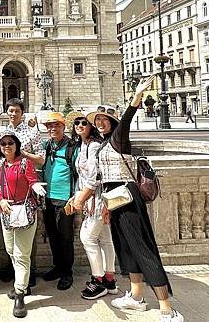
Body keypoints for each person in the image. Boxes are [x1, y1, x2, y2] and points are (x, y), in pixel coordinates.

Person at [87, 75, 184, 322]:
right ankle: (136, 297)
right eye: (97, 120)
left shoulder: (119, 138)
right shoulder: (102, 144)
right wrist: (105, 206)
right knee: (125, 248)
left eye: (104, 120)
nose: (99, 123)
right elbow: (102, 179)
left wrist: (137, 96)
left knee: (142, 249)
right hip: (113, 198)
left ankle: (166, 308)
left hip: (128, 197)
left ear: (112, 122)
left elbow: (127, 119)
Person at [0, 98, 44, 286]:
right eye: (10, 110)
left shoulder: (32, 132)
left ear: (22, 113)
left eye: (16, 110)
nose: (12, 113)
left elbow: (41, 159)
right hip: (8, 187)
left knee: (26, 237)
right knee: (11, 241)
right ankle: (17, 271)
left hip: (26, 186)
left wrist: (20, 155)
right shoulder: (3, 131)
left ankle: (28, 274)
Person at [0, 130, 46, 318]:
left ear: (16, 145)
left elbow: (32, 180)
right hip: (7, 212)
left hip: (24, 211)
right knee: (11, 251)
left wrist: (35, 186)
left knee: (22, 254)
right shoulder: (0, 166)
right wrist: (1, 201)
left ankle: (20, 293)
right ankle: (21, 283)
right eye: (3, 143)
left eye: (10, 143)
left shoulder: (25, 163)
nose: (7, 146)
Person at [67, 115, 117, 300]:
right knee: (104, 238)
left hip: (96, 198)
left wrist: (81, 198)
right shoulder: (84, 145)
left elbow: (94, 177)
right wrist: (77, 195)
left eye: (84, 123)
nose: (80, 125)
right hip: (92, 197)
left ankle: (98, 281)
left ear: (90, 127)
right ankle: (110, 280)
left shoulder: (94, 145)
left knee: (87, 237)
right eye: (77, 123)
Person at [39, 112, 78, 290]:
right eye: (49, 126)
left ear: (63, 127)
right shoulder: (47, 145)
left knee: (65, 236)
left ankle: (67, 272)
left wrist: (75, 196)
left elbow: (80, 173)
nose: (52, 129)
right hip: (48, 197)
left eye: (56, 125)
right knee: (52, 234)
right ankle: (58, 266)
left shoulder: (72, 147)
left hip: (66, 198)